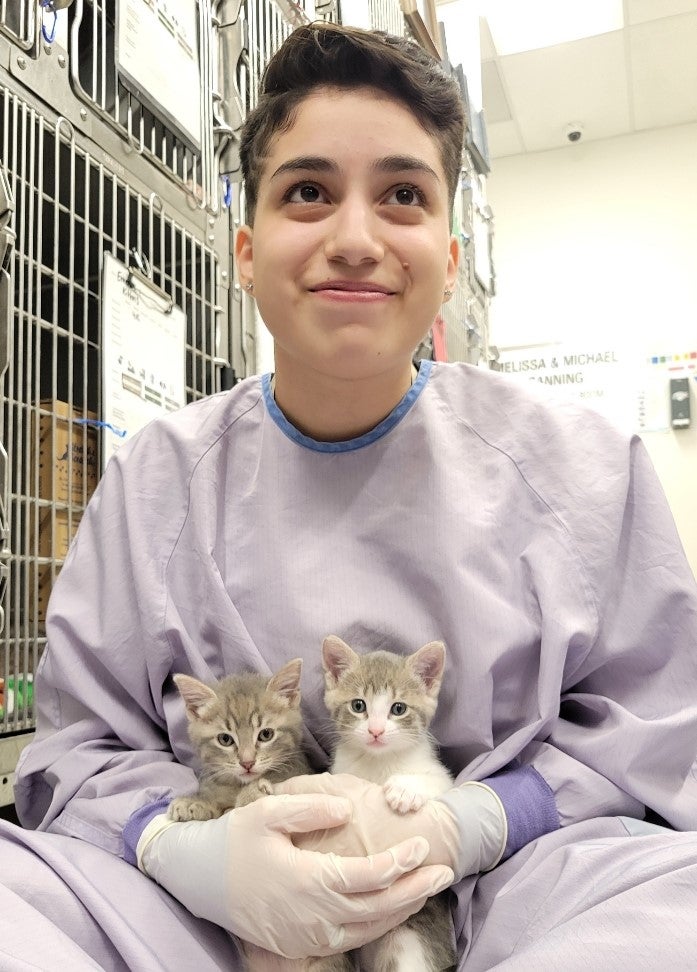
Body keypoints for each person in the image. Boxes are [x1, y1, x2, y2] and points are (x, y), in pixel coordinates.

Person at [1, 20, 697, 971]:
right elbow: (75, 752)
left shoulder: (582, 465)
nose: (356, 238)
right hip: (197, 909)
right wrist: (181, 848)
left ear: (450, 259)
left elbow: (654, 740)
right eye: (308, 192)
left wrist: (486, 818)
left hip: (527, 882)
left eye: (403, 195)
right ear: (245, 250)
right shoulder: (155, 480)